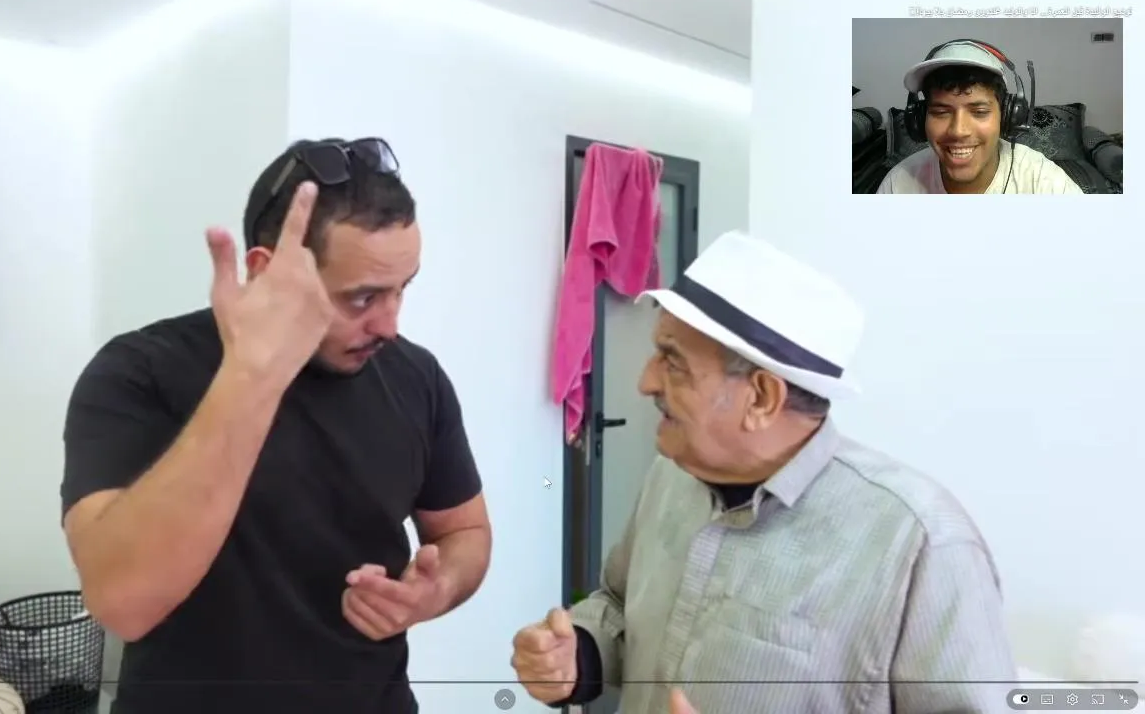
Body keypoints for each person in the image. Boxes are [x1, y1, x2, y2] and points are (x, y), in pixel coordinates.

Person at [60, 138, 492, 714]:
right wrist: (250, 377)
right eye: (362, 298)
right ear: (268, 271)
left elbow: (465, 531)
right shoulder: (141, 371)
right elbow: (123, 603)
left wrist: (432, 592)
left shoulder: (417, 377)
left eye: (402, 288)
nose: (389, 325)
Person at [511, 232, 1017, 713]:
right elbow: (621, 605)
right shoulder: (671, 478)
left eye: (673, 362)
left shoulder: (920, 545)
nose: (646, 382)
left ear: (761, 397)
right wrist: (577, 655)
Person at [877, 39, 1081, 194]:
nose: (958, 131)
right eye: (941, 112)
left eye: (979, 112)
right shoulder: (897, 185)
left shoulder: (1045, 183)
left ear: (1007, 116)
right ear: (920, 120)